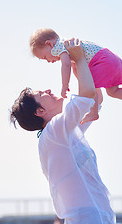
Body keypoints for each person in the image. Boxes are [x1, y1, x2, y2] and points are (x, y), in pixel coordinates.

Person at [10, 39, 116, 224]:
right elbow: (86, 96)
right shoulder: (53, 132)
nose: (49, 90)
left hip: (100, 215)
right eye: (42, 94)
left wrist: (78, 70)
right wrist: (80, 58)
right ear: (39, 112)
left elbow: (95, 100)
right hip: (85, 218)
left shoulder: (63, 132)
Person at [29, 28, 122, 124]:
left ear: (49, 44)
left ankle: (93, 112)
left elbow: (66, 65)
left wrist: (65, 85)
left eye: (45, 57)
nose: (48, 61)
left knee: (90, 85)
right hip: (112, 59)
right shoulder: (69, 47)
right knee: (112, 91)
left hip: (103, 61)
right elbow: (77, 69)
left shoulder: (59, 47)